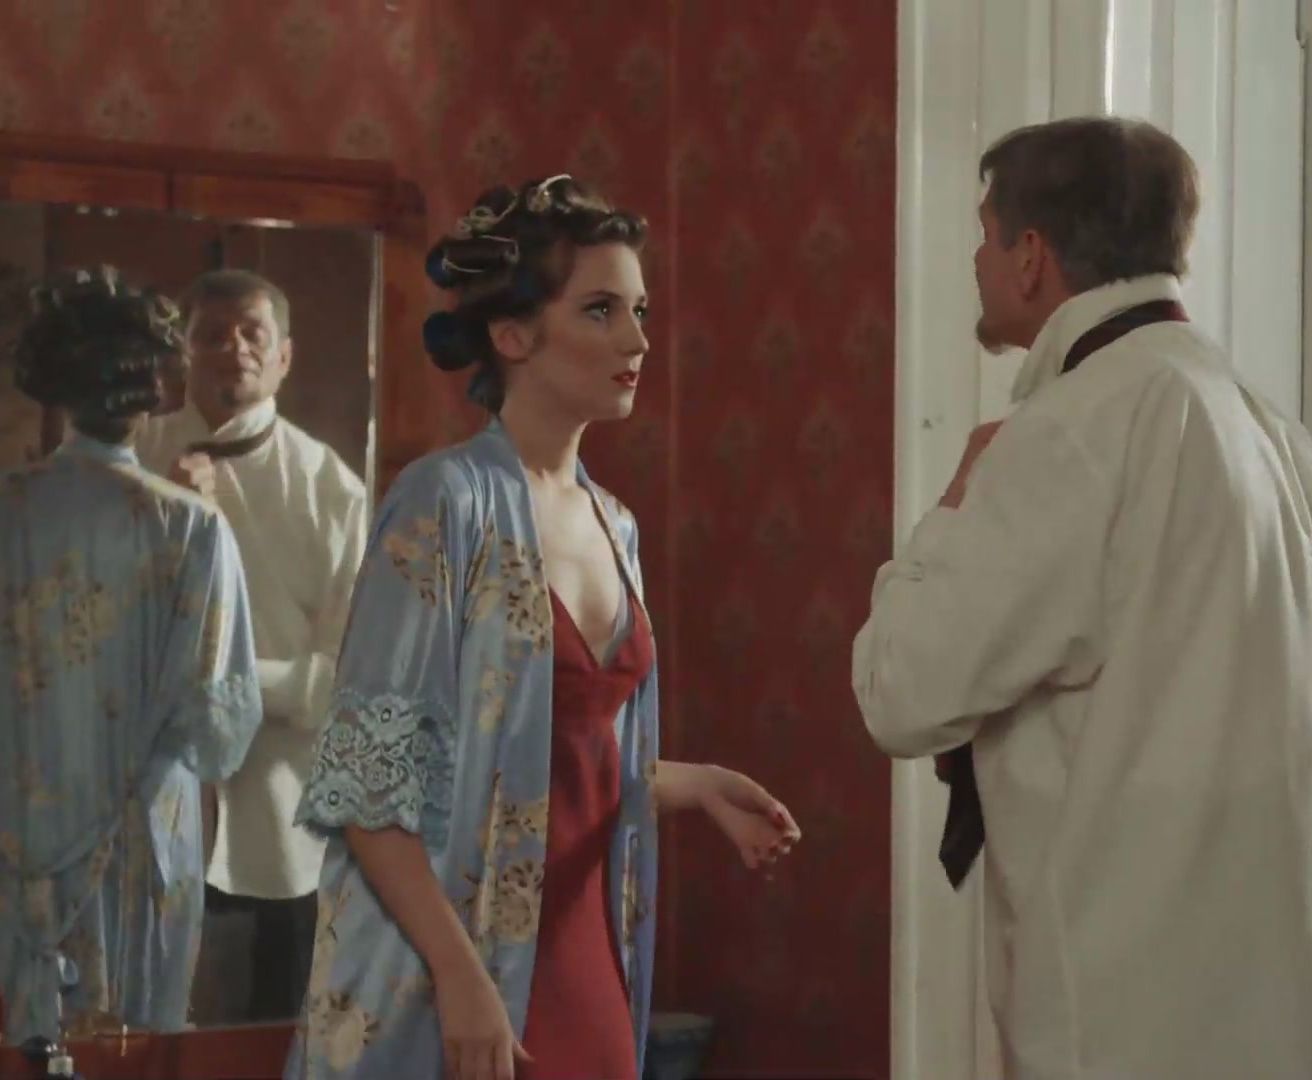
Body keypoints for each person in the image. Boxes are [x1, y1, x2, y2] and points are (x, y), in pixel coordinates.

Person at [851, 117, 1312, 1080]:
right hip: (1302, 1008)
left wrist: (956, 499)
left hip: (1140, 1019)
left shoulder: (1075, 430)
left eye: (984, 234)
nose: (976, 262)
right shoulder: (1274, 433)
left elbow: (901, 690)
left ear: (1030, 255)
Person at [284, 176, 802, 1080]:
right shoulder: (443, 502)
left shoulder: (615, 523)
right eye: (601, 310)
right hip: (449, 964)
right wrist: (460, 977)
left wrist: (697, 785)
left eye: (640, 311)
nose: (638, 340)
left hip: (584, 946)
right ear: (513, 334)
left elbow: (550, 759)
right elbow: (369, 789)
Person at [0, 266, 262, 1042]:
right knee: (132, 1053)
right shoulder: (191, 526)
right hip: (142, 845)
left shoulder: (10, 510)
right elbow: (219, 730)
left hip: (15, 829)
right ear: (153, 392)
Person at [136, 269, 369, 1022]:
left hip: (281, 829)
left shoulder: (332, 491)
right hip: (146, 811)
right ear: (183, 353)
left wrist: (224, 685)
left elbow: (345, 676)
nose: (233, 348)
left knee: (272, 1042)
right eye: (212, 334)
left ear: (284, 357)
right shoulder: (132, 462)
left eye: (252, 333)